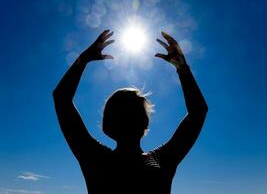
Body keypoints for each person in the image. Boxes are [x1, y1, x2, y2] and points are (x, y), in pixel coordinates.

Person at [53, 30, 208, 194]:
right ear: (145, 123)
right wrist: (182, 67)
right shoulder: (160, 161)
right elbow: (198, 112)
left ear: (107, 124)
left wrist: (83, 59)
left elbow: (61, 98)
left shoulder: (96, 159)